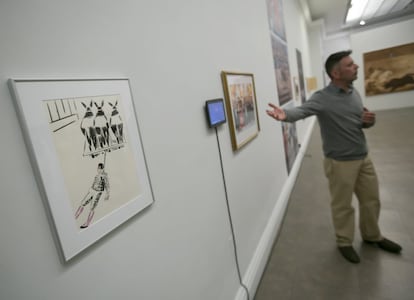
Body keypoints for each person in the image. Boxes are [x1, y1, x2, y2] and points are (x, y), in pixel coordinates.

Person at [266, 50, 402, 263]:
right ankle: (344, 242)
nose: (356, 67)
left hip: (363, 158)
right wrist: (285, 115)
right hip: (340, 163)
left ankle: (372, 236)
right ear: (336, 74)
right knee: (343, 205)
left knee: (371, 201)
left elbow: (359, 122)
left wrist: (367, 121)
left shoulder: (353, 92)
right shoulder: (322, 98)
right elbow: (301, 111)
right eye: (350, 65)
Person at [75, 163, 110, 229]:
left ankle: (87, 223)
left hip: (98, 192)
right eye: (98, 168)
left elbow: (107, 185)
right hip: (92, 190)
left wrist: (107, 194)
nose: (99, 170)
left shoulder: (105, 176)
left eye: (101, 169)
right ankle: (75, 216)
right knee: (82, 203)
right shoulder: (97, 175)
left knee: (92, 208)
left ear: (103, 169)